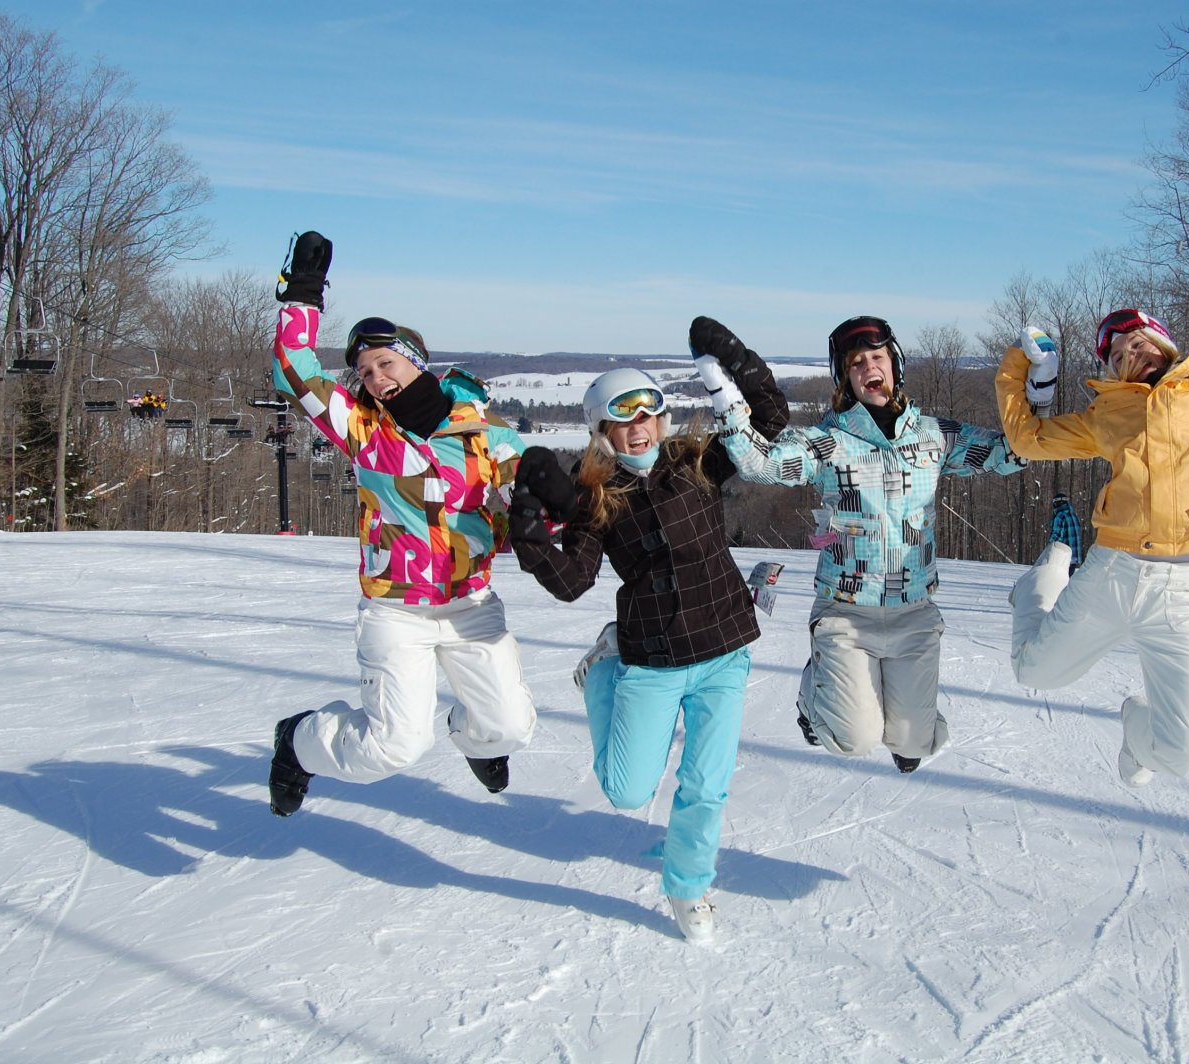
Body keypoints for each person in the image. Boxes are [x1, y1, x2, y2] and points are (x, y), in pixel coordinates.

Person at [995, 172, 1189, 787]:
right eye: (1117, 352)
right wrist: (1021, 365)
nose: (1131, 352)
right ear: (1111, 369)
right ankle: (1042, 581)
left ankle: (1138, 728)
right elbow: (1026, 438)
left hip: (1182, 590)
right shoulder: (1106, 414)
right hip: (1112, 570)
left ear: (1162, 342)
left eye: (1138, 340)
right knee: (1034, 672)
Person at [508, 339, 788, 945]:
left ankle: (688, 889)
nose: (638, 431)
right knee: (627, 792)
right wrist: (530, 538)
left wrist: (736, 362)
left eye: (646, 417)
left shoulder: (698, 464)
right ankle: (601, 674)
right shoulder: (596, 499)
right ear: (602, 432)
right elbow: (572, 581)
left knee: (706, 785)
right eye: (621, 421)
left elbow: (769, 424)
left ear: (661, 418)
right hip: (650, 656)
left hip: (723, 648)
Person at [264, 231, 536, 817]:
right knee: (393, 747)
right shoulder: (365, 432)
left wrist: (543, 516)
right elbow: (295, 373)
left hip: (471, 604)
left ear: (415, 364)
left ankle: (476, 735)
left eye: (384, 363)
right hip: (395, 609)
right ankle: (300, 741)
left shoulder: (488, 437)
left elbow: (527, 507)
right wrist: (303, 297)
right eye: (363, 372)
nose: (374, 378)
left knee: (510, 729)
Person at [694, 315, 1029, 775]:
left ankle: (911, 725)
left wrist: (1038, 394)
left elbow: (1013, 454)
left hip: (914, 612)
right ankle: (816, 696)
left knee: (916, 742)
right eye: (855, 363)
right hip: (846, 612)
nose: (869, 368)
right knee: (852, 740)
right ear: (845, 379)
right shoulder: (828, 443)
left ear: (895, 365)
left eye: (877, 357)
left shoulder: (934, 437)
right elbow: (758, 463)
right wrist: (723, 391)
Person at [1049, 493, 1083, 575]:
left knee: (1059, 582)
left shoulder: (1060, 516)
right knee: (1067, 581)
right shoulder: (1073, 515)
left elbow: (1056, 537)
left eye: (1055, 502)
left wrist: (1050, 548)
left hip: (1063, 557)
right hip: (1074, 556)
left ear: (1058, 503)